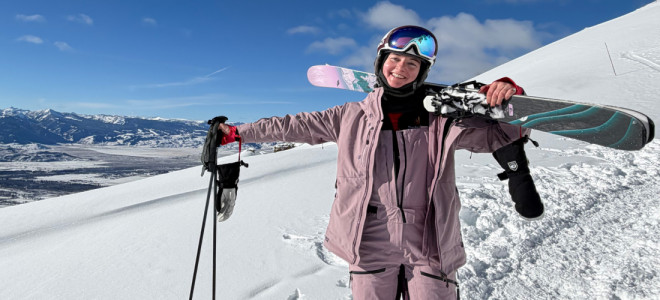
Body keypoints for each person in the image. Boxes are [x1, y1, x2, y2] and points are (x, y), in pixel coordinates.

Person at [216, 25, 543, 299]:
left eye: (412, 65)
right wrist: (235, 133)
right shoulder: (348, 116)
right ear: (380, 62)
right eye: (395, 59)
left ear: (423, 72)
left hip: (430, 239)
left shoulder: (441, 121)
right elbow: (290, 126)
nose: (401, 68)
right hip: (369, 238)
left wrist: (508, 96)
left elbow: (502, 135)